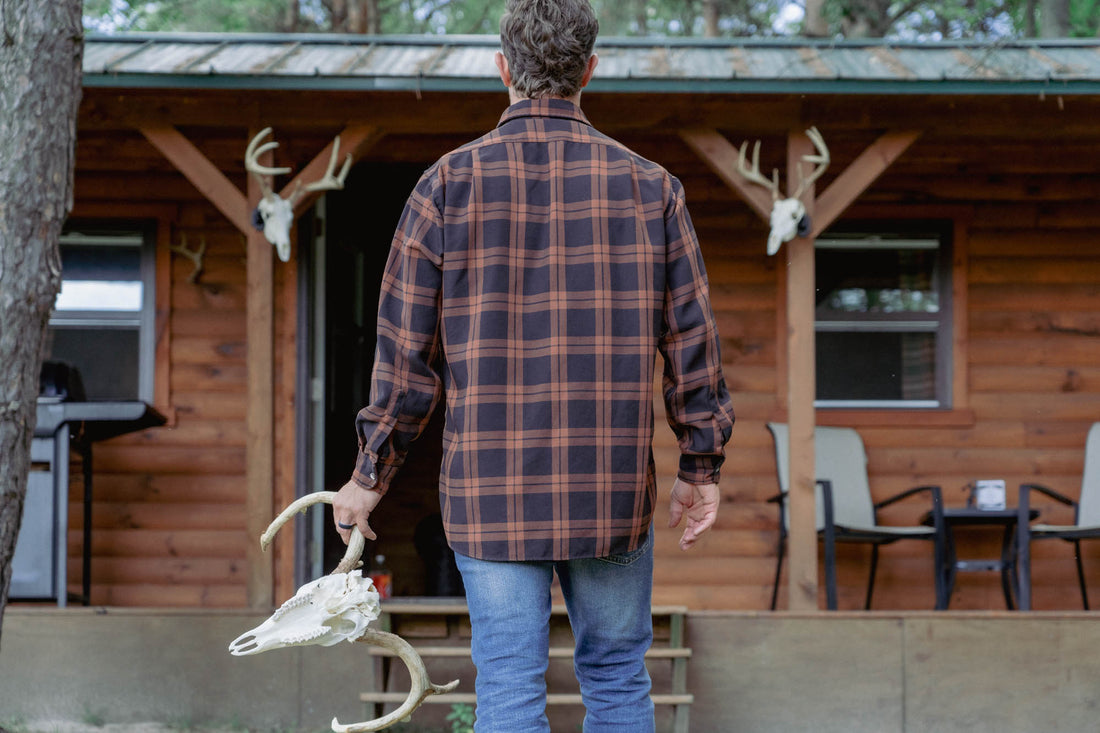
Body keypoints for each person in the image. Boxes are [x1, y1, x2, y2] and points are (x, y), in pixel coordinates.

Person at [334, 1, 734, 730]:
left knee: (510, 684)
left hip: (492, 491)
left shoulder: (444, 187)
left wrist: (370, 474)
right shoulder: (653, 189)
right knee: (616, 676)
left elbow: (403, 359)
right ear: (589, 71)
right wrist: (699, 466)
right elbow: (692, 341)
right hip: (610, 489)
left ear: (502, 70)